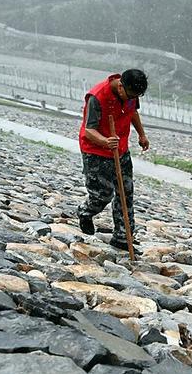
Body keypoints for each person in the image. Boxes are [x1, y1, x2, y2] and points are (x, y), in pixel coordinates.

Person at [76, 69, 149, 250]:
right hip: (96, 151)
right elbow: (89, 131)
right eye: (130, 95)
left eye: (136, 96)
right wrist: (105, 141)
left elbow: (133, 112)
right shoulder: (97, 97)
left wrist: (142, 135)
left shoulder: (132, 94)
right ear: (121, 86)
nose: (132, 98)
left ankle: (123, 238)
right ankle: (85, 212)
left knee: (126, 193)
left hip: (121, 149)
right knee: (103, 194)